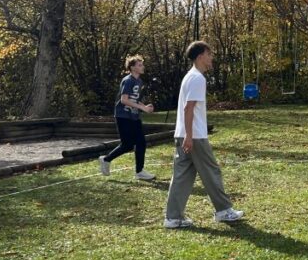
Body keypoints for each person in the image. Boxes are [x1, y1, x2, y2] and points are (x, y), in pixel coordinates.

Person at [163, 41, 244, 228]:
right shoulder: (197, 78)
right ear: (200, 56)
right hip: (194, 136)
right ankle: (224, 211)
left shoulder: (190, 77)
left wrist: (185, 135)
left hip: (183, 135)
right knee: (211, 171)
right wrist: (190, 137)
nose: (211, 58)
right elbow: (188, 109)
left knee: (182, 176)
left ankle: (173, 218)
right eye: (209, 54)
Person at [99, 54, 155, 181]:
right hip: (123, 116)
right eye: (139, 65)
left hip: (134, 116)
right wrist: (142, 108)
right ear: (132, 67)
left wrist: (145, 107)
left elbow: (135, 100)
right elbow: (124, 100)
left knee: (141, 143)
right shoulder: (128, 80)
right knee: (127, 145)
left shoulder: (139, 81)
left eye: (142, 64)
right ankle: (106, 159)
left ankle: (139, 172)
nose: (142, 67)